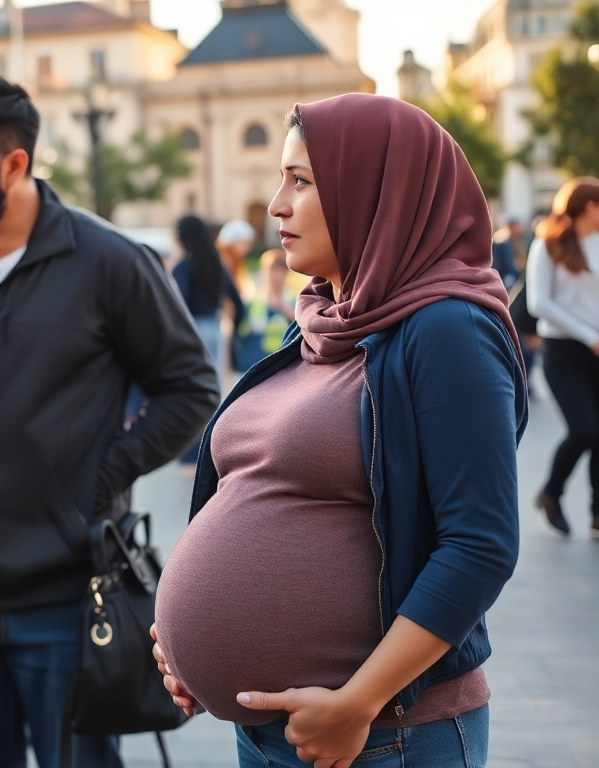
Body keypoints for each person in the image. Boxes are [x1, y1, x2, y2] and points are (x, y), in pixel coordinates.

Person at [151, 93, 527, 768]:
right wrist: (186, 640)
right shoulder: (324, 317)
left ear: (375, 192)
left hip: (383, 735)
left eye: (302, 181)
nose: (276, 205)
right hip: (271, 732)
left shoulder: (447, 330)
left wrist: (359, 702)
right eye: (280, 178)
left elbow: (480, 544)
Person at [0, 74, 219, 768]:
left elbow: (189, 386)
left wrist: (95, 482)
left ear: (15, 163)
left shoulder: (109, 262)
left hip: (64, 595)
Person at [526, 177, 599, 538]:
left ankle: (598, 516)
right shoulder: (548, 244)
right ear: (590, 207)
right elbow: (539, 303)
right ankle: (550, 493)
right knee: (584, 429)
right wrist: (590, 337)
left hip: (597, 348)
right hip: (565, 352)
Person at [172, 215, 246, 382]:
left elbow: (178, 302)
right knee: (214, 381)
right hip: (215, 326)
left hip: (192, 328)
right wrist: (234, 331)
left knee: (193, 383)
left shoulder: (184, 266)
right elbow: (238, 305)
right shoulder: (216, 264)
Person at [233, 248, 296, 371]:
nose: (273, 276)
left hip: (283, 364)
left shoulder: (294, 300)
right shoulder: (253, 301)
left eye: (278, 271)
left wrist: (284, 309)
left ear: (286, 273)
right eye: (269, 270)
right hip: (255, 363)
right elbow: (241, 331)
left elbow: (302, 329)